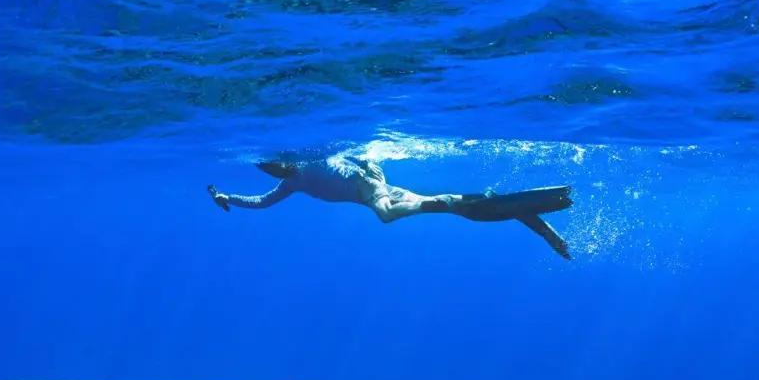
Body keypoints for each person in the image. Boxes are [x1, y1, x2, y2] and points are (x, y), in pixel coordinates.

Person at [207, 152, 573, 259]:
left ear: (283, 157)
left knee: (384, 217)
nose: (277, 169)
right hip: (383, 191)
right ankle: (538, 226)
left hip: (374, 191)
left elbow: (359, 152)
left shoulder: (314, 156)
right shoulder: (290, 183)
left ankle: (442, 201)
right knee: (472, 210)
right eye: (270, 169)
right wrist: (229, 199)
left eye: (276, 164)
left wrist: (367, 163)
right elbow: (262, 202)